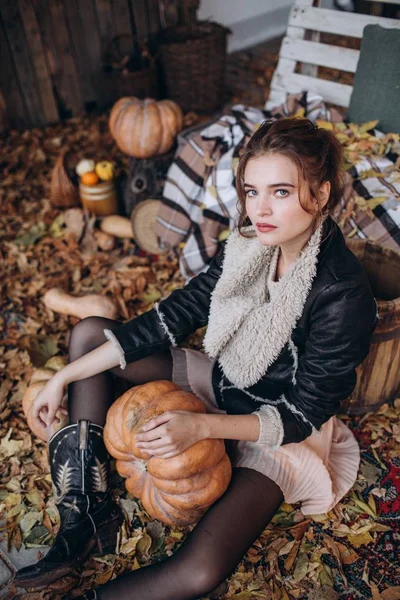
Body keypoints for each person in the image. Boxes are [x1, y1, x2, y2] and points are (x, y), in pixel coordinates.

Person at [14, 117, 378, 599]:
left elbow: (304, 413)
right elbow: (176, 312)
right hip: (224, 380)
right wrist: (63, 376)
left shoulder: (342, 293)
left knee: (200, 569)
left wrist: (203, 428)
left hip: (278, 428)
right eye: (252, 191)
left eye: (282, 192)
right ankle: (87, 511)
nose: (261, 209)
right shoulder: (250, 242)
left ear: (321, 192)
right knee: (87, 336)